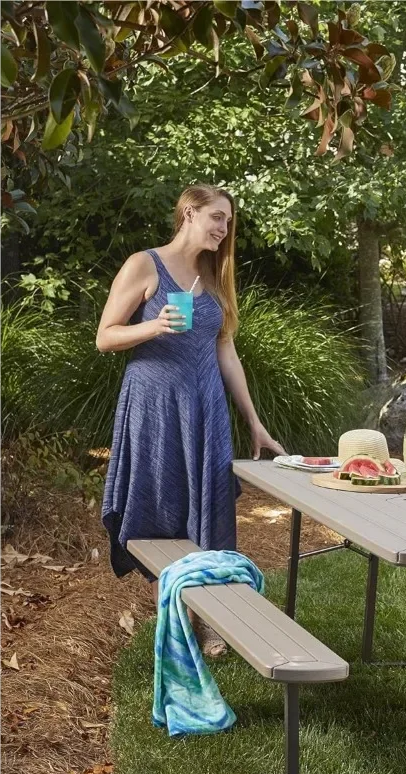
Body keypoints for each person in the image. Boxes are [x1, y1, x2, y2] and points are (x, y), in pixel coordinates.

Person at [97, 184, 286, 655]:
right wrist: (153, 325)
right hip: (154, 407)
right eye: (217, 217)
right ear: (188, 212)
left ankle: (207, 618)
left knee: (211, 509)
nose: (224, 229)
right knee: (160, 508)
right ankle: (180, 608)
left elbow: (226, 350)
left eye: (228, 221)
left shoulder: (215, 275)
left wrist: (254, 421)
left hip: (205, 409)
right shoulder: (145, 265)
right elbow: (105, 336)